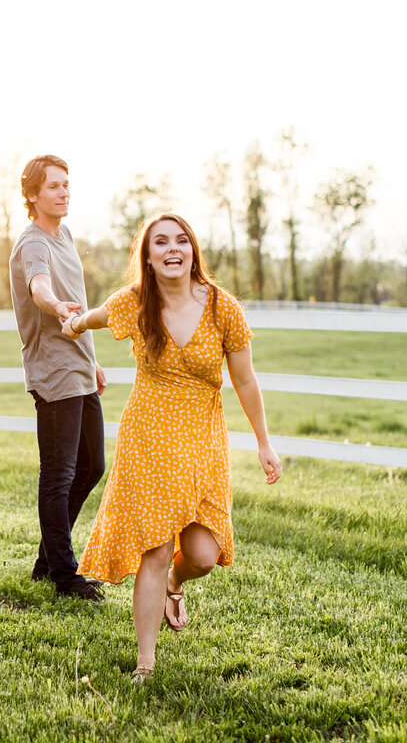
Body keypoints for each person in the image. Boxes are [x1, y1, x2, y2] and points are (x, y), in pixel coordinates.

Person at [63, 212, 281, 681]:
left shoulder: (222, 307)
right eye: (160, 242)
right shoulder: (137, 302)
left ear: (193, 250)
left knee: (202, 554)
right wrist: (75, 323)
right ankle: (146, 663)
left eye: (181, 240)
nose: (172, 249)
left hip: (202, 442)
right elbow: (97, 316)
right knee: (156, 550)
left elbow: (244, 378)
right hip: (149, 439)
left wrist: (264, 443)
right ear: (148, 256)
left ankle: (174, 585)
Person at [9, 155, 108, 602]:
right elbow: (40, 287)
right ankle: (66, 578)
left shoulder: (64, 234)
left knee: (91, 465)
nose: (63, 192)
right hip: (54, 371)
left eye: (66, 185)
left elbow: (74, 297)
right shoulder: (32, 244)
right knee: (59, 473)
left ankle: (48, 560)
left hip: (80, 366)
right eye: (53, 186)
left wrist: (93, 360)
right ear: (32, 195)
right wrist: (58, 307)